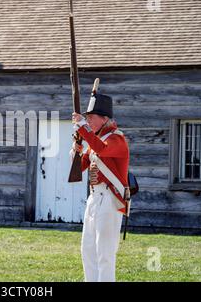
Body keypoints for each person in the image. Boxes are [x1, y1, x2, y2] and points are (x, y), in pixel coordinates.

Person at [70, 92, 130, 282]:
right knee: (88, 250)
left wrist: (82, 128)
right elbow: (79, 168)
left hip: (110, 199)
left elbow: (103, 149)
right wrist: (76, 149)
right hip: (94, 198)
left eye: (90, 118)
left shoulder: (116, 139)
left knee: (104, 253)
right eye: (86, 118)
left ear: (104, 119)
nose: (88, 121)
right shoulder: (95, 141)